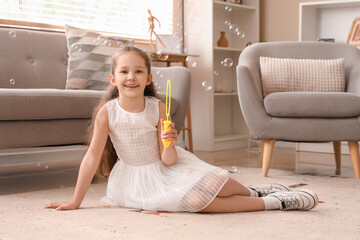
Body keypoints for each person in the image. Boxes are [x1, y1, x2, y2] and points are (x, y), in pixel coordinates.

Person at [45, 46, 319, 212]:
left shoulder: (157, 107)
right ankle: (277, 203)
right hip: (136, 182)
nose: (131, 77)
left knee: (215, 182)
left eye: (139, 71)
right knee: (199, 201)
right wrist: (75, 201)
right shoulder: (108, 113)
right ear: (113, 78)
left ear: (149, 78)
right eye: (124, 71)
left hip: (166, 167)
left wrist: (169, 141)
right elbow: (92, 157)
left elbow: (169, 159)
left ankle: (255, 191)